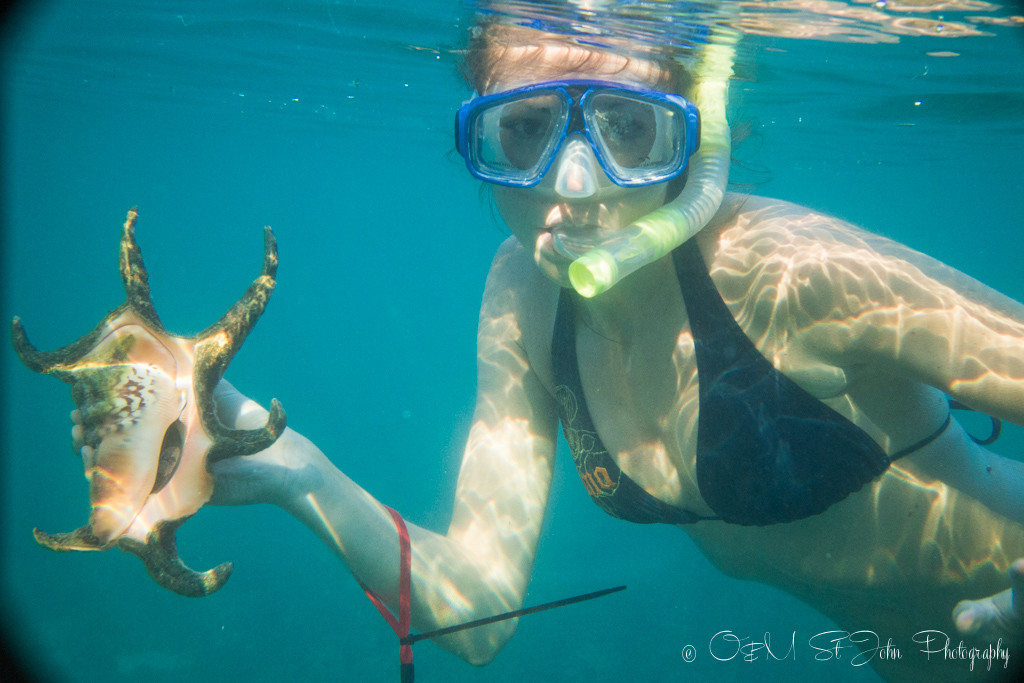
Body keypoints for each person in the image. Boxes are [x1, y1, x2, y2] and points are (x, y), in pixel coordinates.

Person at [73, 17, 1024, 683]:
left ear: (694, 139)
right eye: (525, 130)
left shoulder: (796, 268)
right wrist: (294, 470)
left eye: (627, 128)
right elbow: (478, 608)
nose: (571, 185)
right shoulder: (522, 297)